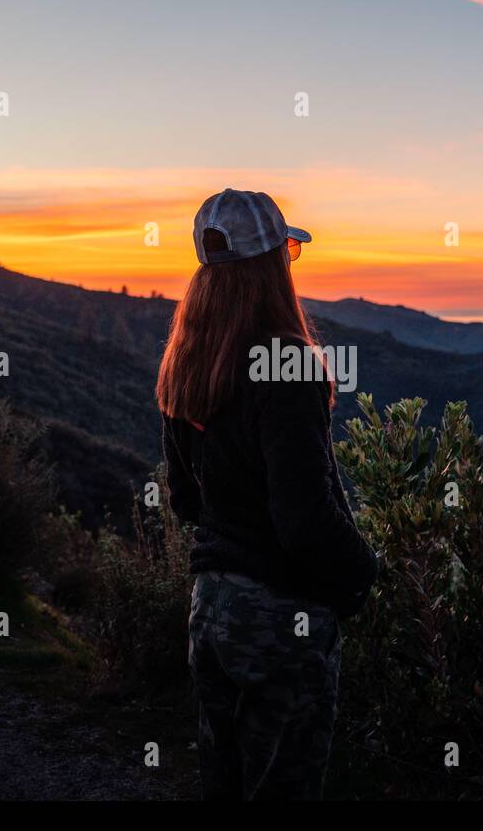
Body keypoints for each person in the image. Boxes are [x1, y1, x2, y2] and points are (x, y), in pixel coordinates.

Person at [156, 188, 379, 800]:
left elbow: (185, 500)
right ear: (274, 265)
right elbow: (305, 519)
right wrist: (363, 574)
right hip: (284, 620)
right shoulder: (289, 365)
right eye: (287, 252)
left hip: (211, 611)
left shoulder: (188, 361)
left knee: (222, 785)